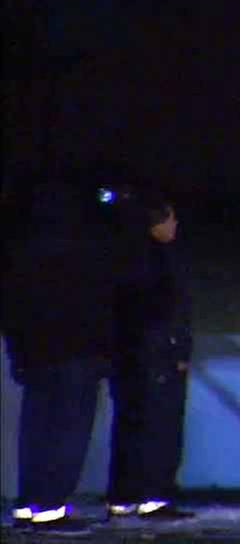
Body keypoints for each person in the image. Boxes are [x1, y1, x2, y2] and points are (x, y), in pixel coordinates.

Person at [2, 180, 119, 535]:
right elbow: (96, 304)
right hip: (75, 352)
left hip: (36, 353)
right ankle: (52, 507)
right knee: (68, 431)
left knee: (36, 429)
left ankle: (30, 503)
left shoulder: (21, 251)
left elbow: (13, 307)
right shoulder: (83, 252)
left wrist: (18, 351)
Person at [107, 192, 195, 520]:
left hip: (126, 355)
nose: (176, 225)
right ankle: (155, 494)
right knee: (161, 426)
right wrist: (178, 350)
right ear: (157, 224)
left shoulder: (122, 258)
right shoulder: (162, 260)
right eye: (171, 218)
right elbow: (173, 310)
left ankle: (122, 494)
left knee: (128, 424)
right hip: (158, 356)